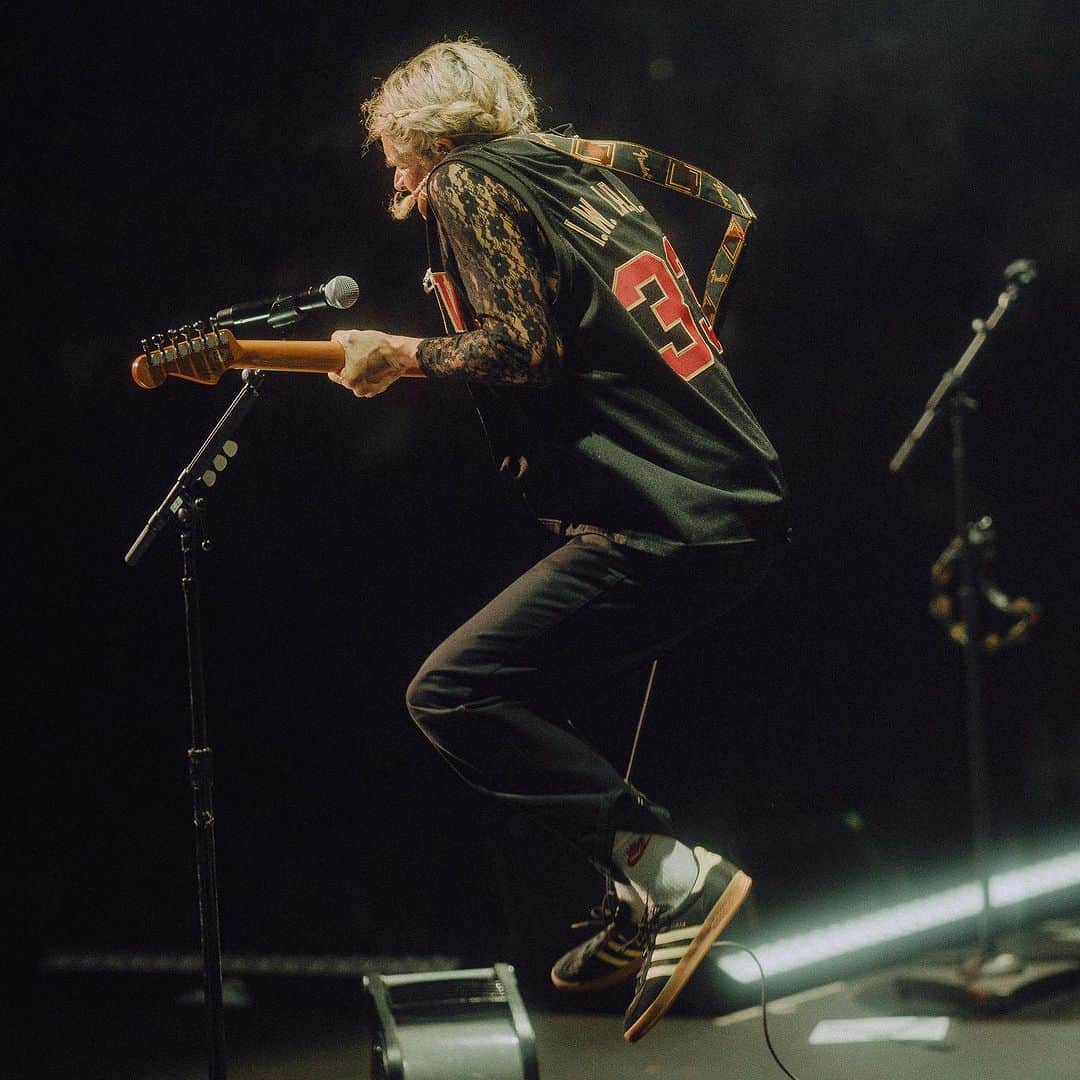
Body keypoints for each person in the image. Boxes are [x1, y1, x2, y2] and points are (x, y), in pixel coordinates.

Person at [327, 39, 788, 1042]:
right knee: (544, 698)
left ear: (428, 130)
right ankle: (633, 893)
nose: (394, 177)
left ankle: (671, 877)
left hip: (671, 516)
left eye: (393, 150)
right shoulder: (573, 174)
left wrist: (398, 355)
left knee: (453, 692)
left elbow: (520, 348)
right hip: (725, 506)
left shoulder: (472, 181)